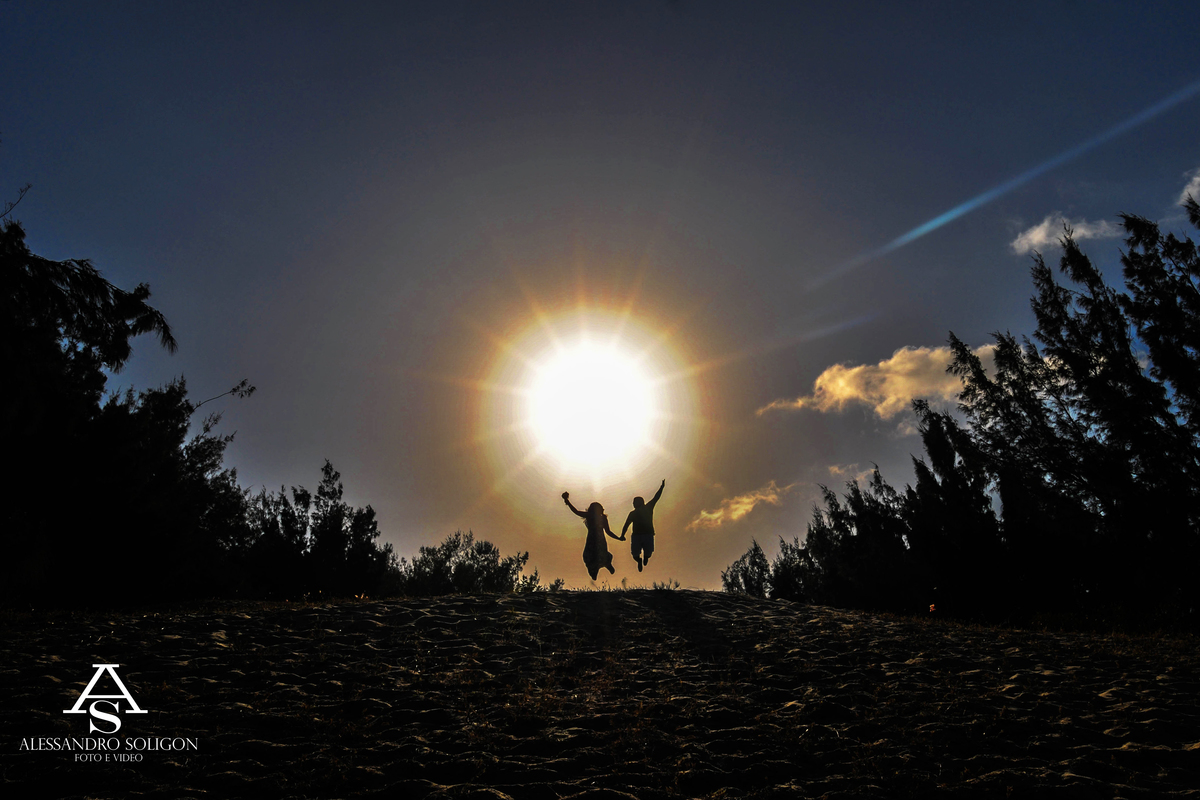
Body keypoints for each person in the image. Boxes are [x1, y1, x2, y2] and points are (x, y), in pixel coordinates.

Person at [563, 491, 624, 581]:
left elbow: (608, 531)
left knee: (594, 555)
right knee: (593, 555)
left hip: (596, 540)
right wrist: (567, 501)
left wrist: (618, 538)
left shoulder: (601, 518)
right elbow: (576, 512)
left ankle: (604, 566)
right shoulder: (592, 516)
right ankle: (597, 570)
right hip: (596, 540)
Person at [622, 479, 665, 572]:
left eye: (634, 502)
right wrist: (622, 535)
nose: (633, 504)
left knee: (648, 552)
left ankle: (646, 557)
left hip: (648, 534)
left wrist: (661, 487)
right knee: (635, 555)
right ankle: (639, 561)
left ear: (640, 502)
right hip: (636, 536)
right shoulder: (632, 513)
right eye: (633, 502)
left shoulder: (648, 508)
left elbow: (656, 498)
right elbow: (626, 525)